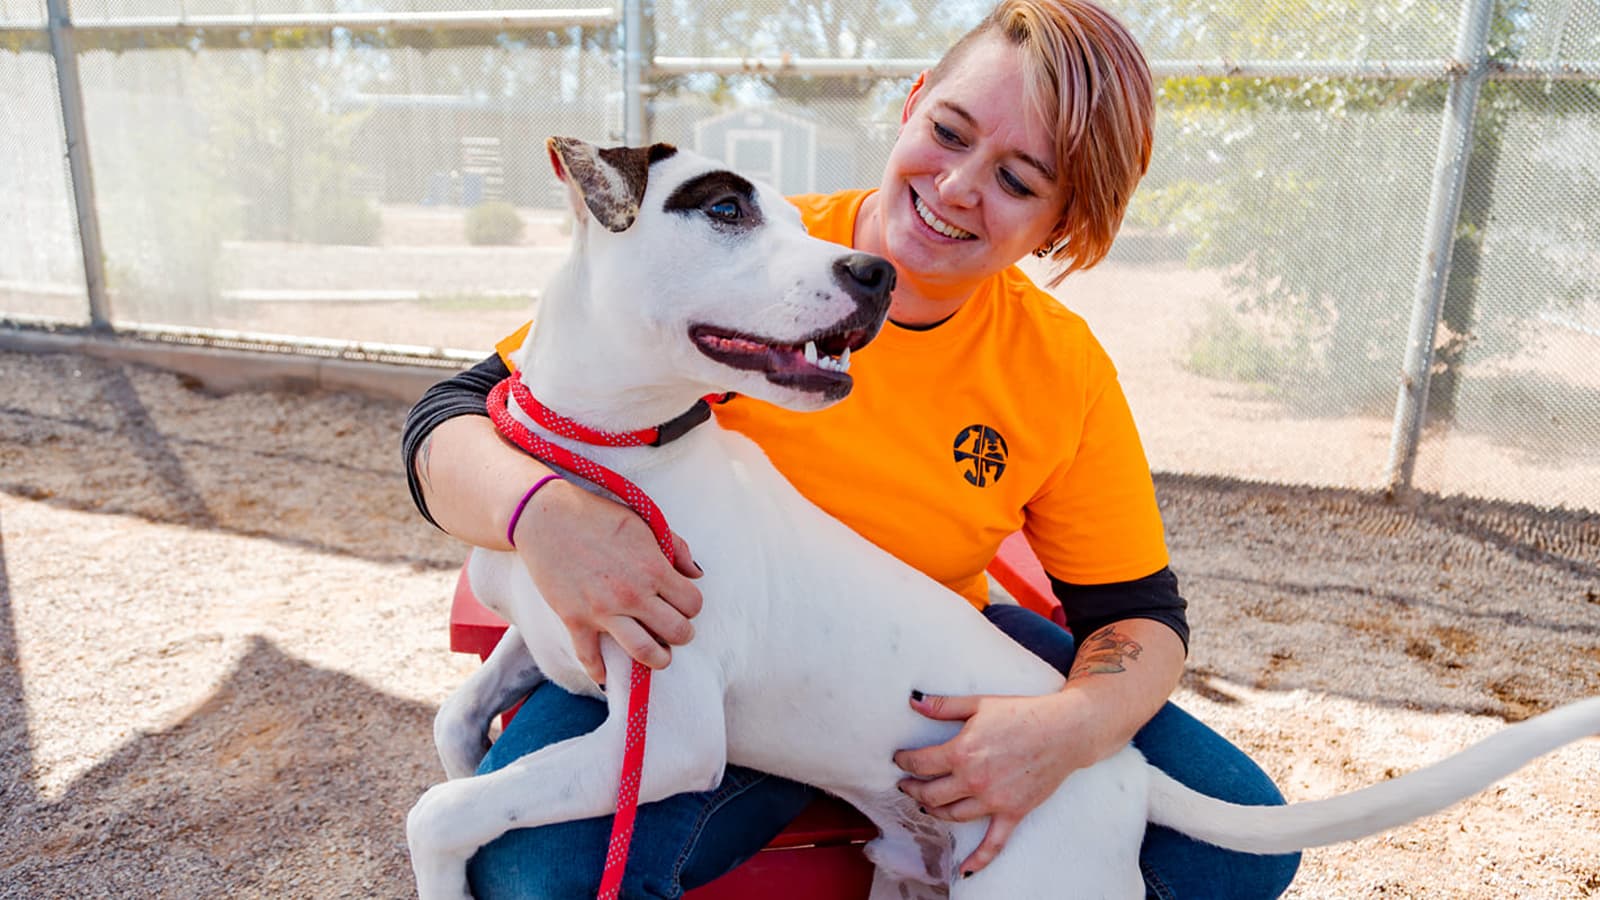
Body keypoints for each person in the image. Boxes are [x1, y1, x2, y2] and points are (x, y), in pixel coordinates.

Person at [402, 0, 1301, 896]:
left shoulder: (1059, 366)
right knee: (535, 876)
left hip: (920, 654)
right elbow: (452, 415)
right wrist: (542, 515)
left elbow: (1139, 612)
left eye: (1018, 180)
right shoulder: (736, 243)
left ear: (1062, 224)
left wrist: (1066, 731)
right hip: (685, 649)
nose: (957, 186)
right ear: (912, 102)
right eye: (948, 132)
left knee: (1241, 846)